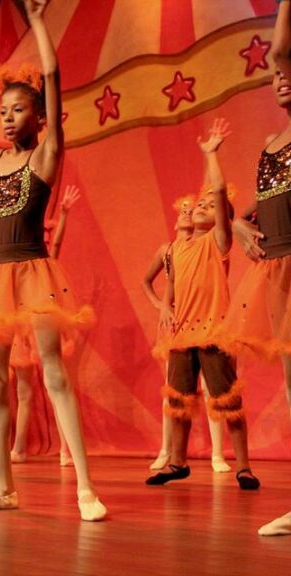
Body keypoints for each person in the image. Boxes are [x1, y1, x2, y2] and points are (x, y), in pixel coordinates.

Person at [0, 0, 105, 520]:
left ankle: (86, 486)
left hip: (35, 272)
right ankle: (0, 484)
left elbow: (55, 77)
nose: (7, 118)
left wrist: (39, 25)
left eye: (18, 110)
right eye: (3, 112)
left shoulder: (45, 155)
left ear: (40, 117)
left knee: (53, 372)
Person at [147, 119, 259, 491]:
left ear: (223, 220)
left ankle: (242, 464)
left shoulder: (217, 243)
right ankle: (177, 461)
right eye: (200, 204)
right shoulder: (176, 247)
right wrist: (164, 307)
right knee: (179, 400)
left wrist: (211, 155)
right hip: (182, 335)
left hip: (213, 330)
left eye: (211, 206)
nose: (201, 206)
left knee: (227, 399)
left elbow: (219, 188)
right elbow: (173, 289)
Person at [226, 0, 291, 536]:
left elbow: (282, 45)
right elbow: (242, 210)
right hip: (280, 272)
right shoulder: (271, 146)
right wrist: (243, 227)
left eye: (290, 70)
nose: (282, 79)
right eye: (275, 75)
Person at [142, 195, 230, 473]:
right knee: (175, 391)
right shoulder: (169, 249)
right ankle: (167, 450)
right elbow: (161, 282)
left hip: (205, 319)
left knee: (211, 391)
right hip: (177, 324)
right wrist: (162, 307)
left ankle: (218, 453)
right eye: (185, 211)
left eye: (192, 211)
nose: (188, 214)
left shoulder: (202, 245)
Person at [10, 184, 79, 466]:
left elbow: (57, 246)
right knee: (23, 391)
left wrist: (62, 214)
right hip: (20, 327)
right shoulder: (16, 254)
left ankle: (66, 447)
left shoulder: (45, 260)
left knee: (56, 384)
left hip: (44, 320)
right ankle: (19, 448)